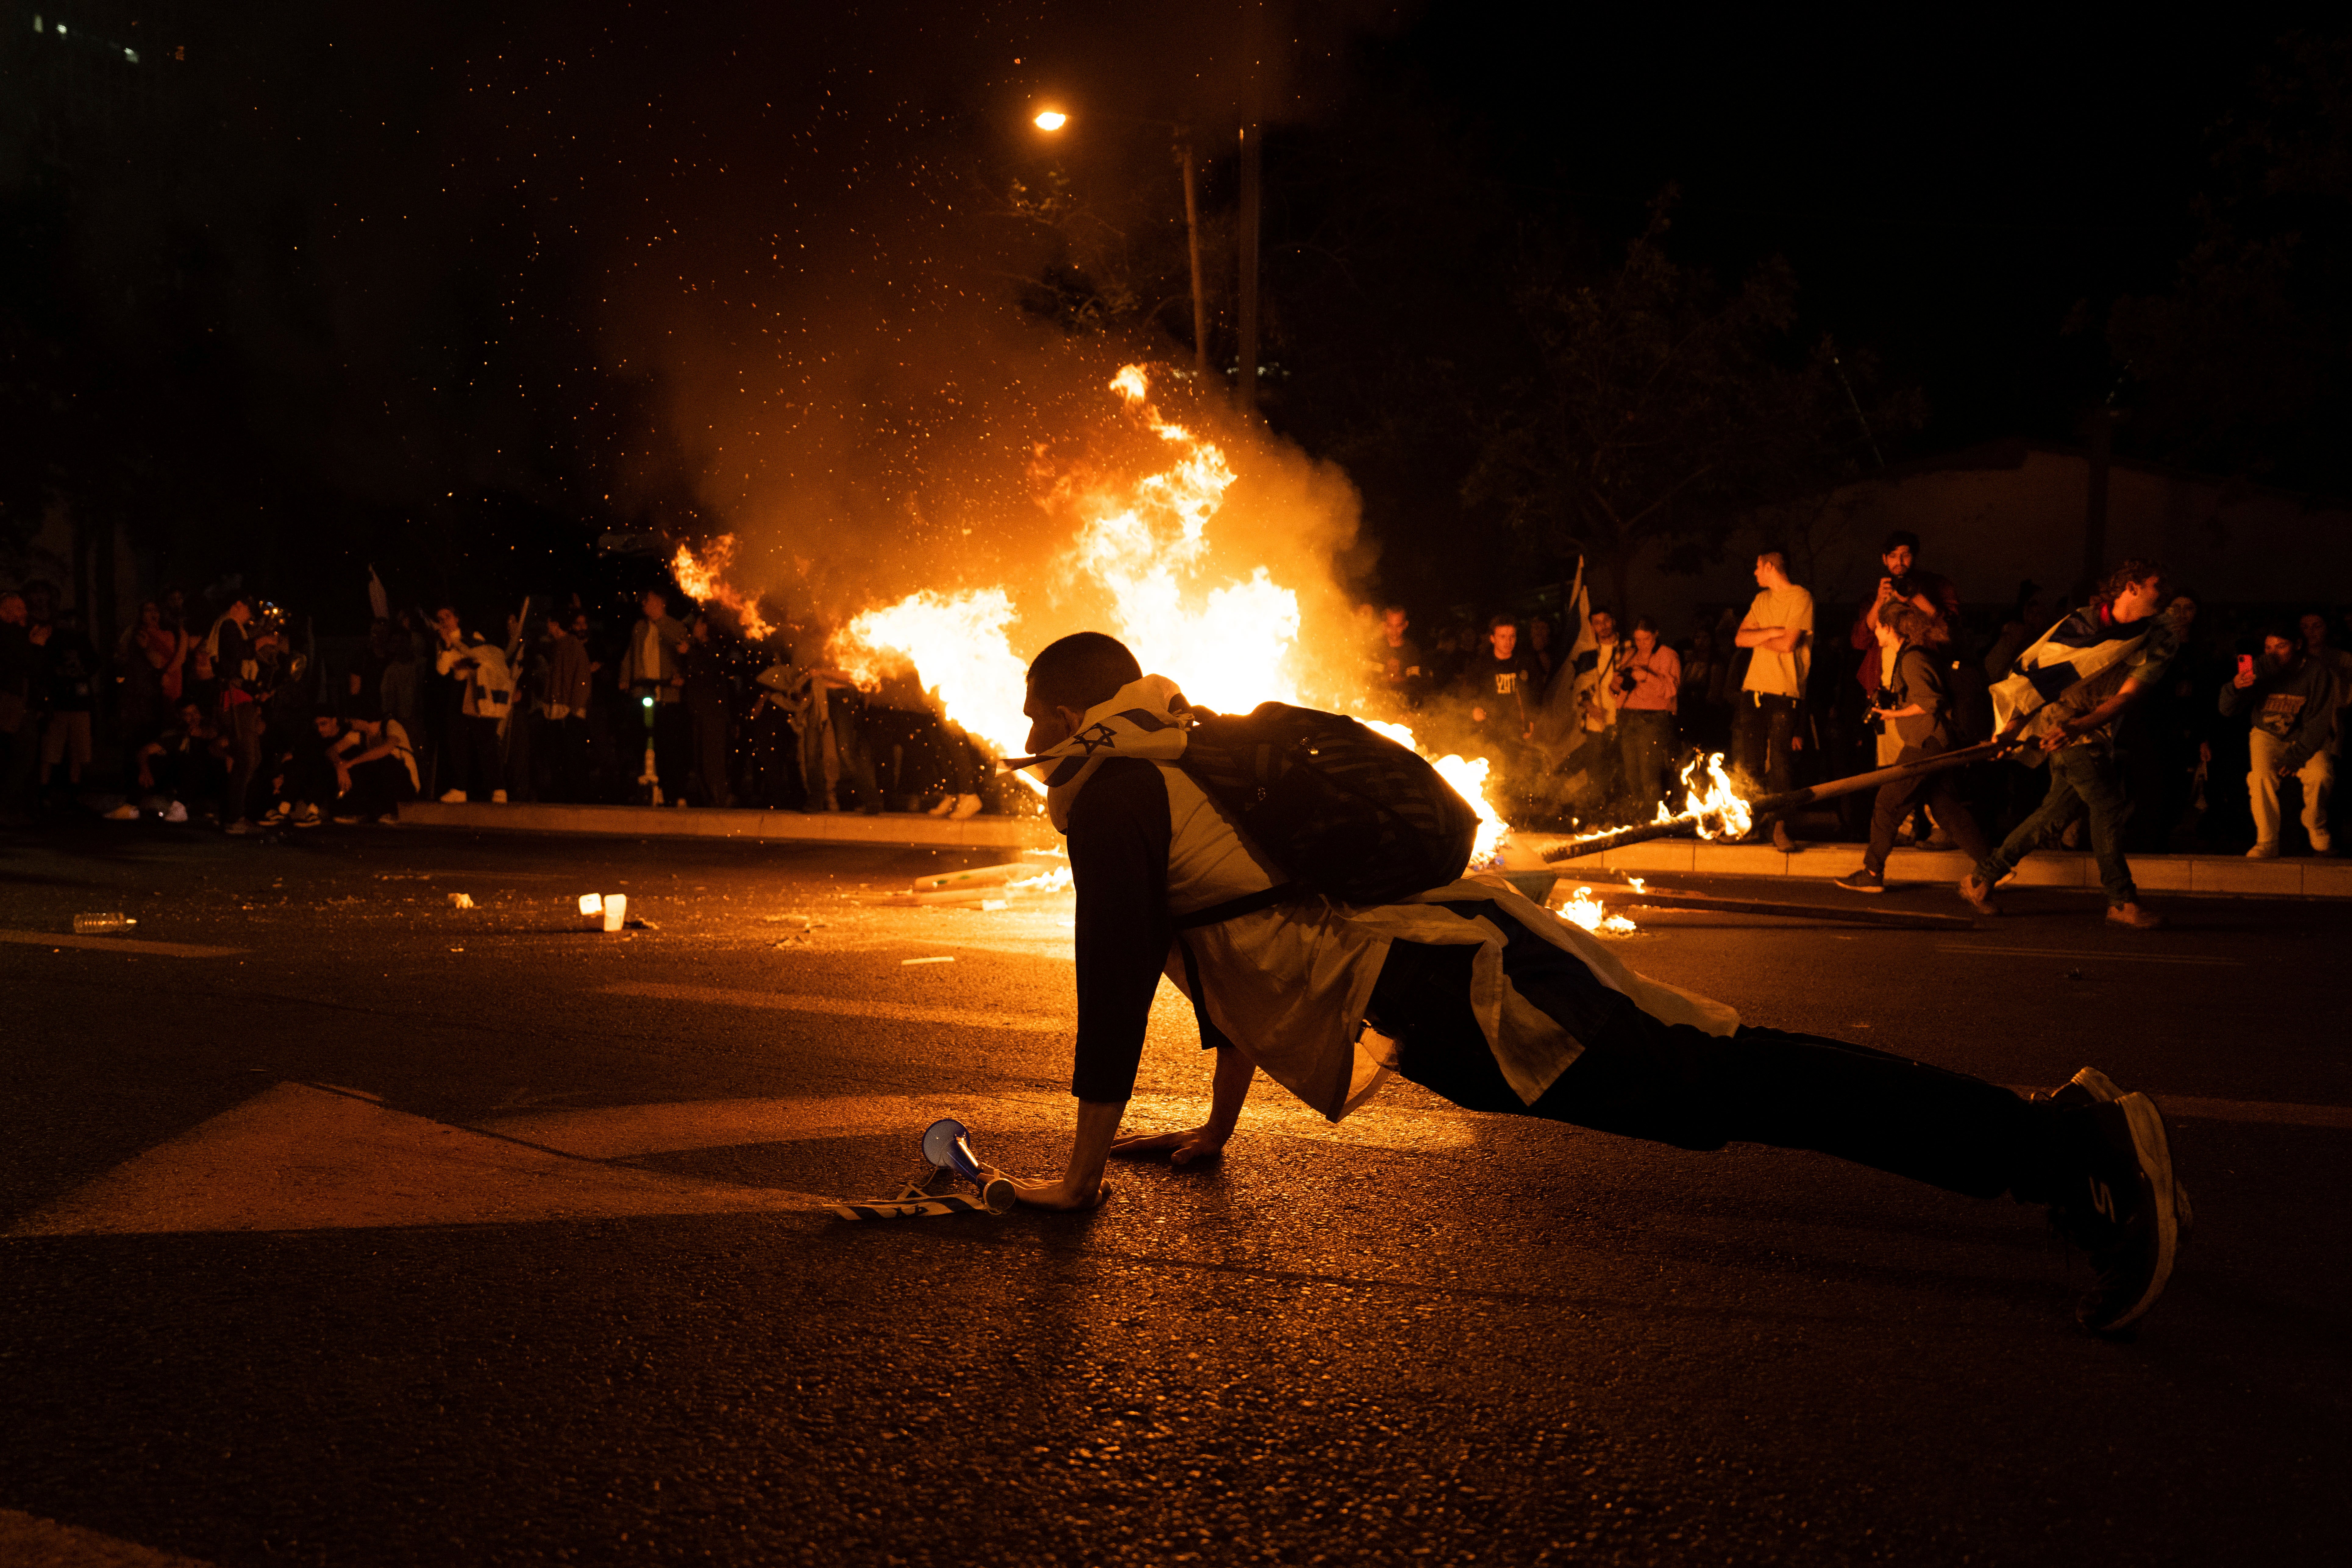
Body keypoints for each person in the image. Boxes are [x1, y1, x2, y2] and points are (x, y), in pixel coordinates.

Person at [1002, 631, 2188, 1335]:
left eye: (1027, 709)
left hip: (1466, 991)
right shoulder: (1175, 749)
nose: (1022, 728)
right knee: (1726, 1087)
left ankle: (2062, 1146)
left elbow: (1117, 974)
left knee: (1732, 1082)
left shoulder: (1113, 784)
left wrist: (1073, 1177)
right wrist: (1215, 1126)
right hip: (1457, 976)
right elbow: (1235, 944)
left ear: (1063, 706)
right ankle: (2050, 1150)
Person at [1971, 561, 2182, 929]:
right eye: (2156, 583)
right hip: (2063, 726)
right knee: (2109, 807)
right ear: (2131, 588)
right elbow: (2035, 679)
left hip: (2086, 727)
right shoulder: (2079, 624)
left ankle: (1981, 879)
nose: (2166, 589)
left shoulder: (2159, 635)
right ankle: (2120, 900)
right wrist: (2009, 731)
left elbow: (2126, 698)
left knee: (2052, 815)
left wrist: (2079, 725)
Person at [1836, 604, 1998, 903]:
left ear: (1889, 628)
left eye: (1878, 628)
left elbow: (1930, 702)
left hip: (1927, 743)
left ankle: (1872, 874)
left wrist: (1892, 714)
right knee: (1944, 807)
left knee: (1887, 802)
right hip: (1934, 741)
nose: (1875, 632)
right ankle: (1992, 866)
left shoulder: (1913, 658)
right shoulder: (1911, 655)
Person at [2218, 625, 2337, 859]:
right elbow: (2226, 710)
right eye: (2268, 647)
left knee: (2321, 774)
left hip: (2304, 735)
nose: (2273, 653)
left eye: (2281, 646)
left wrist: (2296, 756)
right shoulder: (2261, 668)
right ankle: (2266, 840)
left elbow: (2319, 721)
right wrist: (2235, 687)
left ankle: (2314, 821)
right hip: (2267, 733)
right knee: (2260, 778)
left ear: (2297, 645)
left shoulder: (2316, 671)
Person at [1849, 531, 1962, 768]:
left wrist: (1915, 596)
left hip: (1922, 689)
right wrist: (1881, 601)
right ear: (1884, 559)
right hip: (1887, 689)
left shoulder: (1935, 586)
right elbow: (1860, 641)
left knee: (1924, 760)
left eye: (1905, 555)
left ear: (1915, 557)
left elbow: (1949, 632)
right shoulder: (1875, 596)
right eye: (1893, 556)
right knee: (1892, 766)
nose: (1899, 562)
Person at [1733, 552, 1812, 851]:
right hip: (1753, 689)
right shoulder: (1761, 600)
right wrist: (1774, 632)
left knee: (1780, 763)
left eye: (1757, 567)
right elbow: (1740, 639)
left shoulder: (1801, 598)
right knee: (1750, 761)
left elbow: (1789, 644)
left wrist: (1760, 636)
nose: (1754, 573)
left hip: (1783, 691)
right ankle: (1749, 825)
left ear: (1770, 567)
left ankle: (1781, 827)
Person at [431, 606, 515, 803]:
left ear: (457, 618)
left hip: (477, 690)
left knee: (486, 739)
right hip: (458, 692)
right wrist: (448, 647)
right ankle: (459, 788)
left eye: (448, 617)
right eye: (440, 618)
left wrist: (461, 661)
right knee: (456, 741)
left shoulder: (473, 635)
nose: (444, 621)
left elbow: (483, 660)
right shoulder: (442, 642)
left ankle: (498, 788)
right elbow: (443, 670)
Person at [617, 588, 690, 803]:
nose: (643, 604)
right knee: (643, 742)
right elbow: (630, 655)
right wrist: (625, 678)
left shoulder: (675, 626)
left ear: (660, 602)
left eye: (647, 600)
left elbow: (684, 656)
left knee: (669, 747)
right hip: (644, 691)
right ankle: (646, 788)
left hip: (667, 695)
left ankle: (673, 793)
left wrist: (680, 678)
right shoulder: (639, 628)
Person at [1614, 615, 1681, 819]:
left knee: (1648, 773)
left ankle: (1653, 819)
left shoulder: (1668, 656)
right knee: (1631, 773)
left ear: (1656, 635)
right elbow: (1614, 688)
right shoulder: (1630, 654)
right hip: (1628, 717)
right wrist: (1620, 682)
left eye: (1646, 639)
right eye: (1638, 639)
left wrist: (1646, 677)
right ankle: (1638, 815)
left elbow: (1671, 690)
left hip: (1654, 718)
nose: (1641, 644)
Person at [134, 701, 229, 822]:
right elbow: (145, 751)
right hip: (182, 782)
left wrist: (200, 735)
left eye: (195, 713)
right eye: (188, 715)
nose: (194, 717)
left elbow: (212, 736)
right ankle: (134, 805)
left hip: (210, 783)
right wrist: (145, 769)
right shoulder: (177, 735)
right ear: (181, 717)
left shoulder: (212, 732)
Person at [681, 614, 736, 808]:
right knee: (701, 758)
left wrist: (690, 654)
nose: (693, 628)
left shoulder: (712, 650)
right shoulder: (698, 650)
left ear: (705, 627)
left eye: (696, 624)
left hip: (713, 714)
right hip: (700, 712)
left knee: (712, 758)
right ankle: (710, 800)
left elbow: (711, 671)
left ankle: (720, 799)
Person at [540, 611, 594, 802]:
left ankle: (576, 800)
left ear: (555, 625)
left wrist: (572, 708)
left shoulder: (571, 646)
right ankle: (569, 798)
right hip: (562, 711)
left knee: (571, 759)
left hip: (567, 713)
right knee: (565, 758)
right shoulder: (563, 646)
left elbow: (581, 679)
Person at [329, 711, 420, 823]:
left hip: (406, 785)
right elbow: (332, 750)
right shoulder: (362, 734)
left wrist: (352, 763)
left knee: (383, 759)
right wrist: (340, 766)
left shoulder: (391, 726)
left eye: (351, 721)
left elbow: (386, 749)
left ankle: (391, 812)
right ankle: (356, 811)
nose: (349, 724)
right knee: (351, 761)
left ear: (362, 720)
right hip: (381, 786)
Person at [1371, 605, 1429, 709]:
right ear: (1384, 625)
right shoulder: (1375, 649)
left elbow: (1416, 685)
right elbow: (1368, 679)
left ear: (1405, 625)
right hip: (1376, 706)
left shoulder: (1412, 652)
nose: (1394, 631)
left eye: (1398, 626)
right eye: (1390, 626)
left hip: (1403, 708)